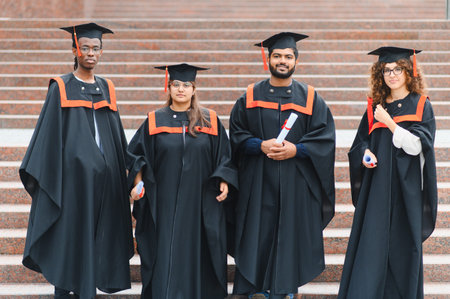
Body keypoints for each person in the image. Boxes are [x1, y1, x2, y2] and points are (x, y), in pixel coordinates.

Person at [19, 23, 134, 299]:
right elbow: (47, 136)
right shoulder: (61, 87)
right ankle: (63, 288)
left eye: (96, 48)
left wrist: (127, 171)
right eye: (85, 48)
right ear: (74, 50)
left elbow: (116, 137)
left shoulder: (107, 88)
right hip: (71, 181)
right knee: (69, 232)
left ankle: (88, 287)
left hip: (103, 183)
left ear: (102, 52)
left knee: (97, 235)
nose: (90, 53)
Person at [229, 32, 336, 299]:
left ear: (296, 60)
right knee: (257, 233)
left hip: (295, 181)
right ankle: (254, 286)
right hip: (258, 180)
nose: (282, 61)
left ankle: (285, 289)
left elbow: (325, 139)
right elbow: (237, 134)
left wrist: (296, 150)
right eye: (277, 55)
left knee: (288, 235)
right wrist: (259, 145)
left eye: (288, 56)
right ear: (268, 59)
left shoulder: (310, 98)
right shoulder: (250, 96)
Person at [127, 63, 238, 299]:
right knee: (164, 251)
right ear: (168, 88)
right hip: (164, 202)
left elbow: (225, 157)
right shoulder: (155, 120)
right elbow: (137, 156)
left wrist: (225, 180)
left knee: (201, 250)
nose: (181, 89)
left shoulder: (210, 120)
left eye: (186, 85)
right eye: (176, 84)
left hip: (201, 201)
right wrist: (138, 182)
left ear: (194, 89)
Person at [338, 47, 438, 299]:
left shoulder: (422, 105)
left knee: (402, 246)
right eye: (386, 70)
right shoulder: (375, 105)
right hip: (378, 187)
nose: (392, 75)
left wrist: (391, 123)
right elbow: (361, 143)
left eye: (397, 69)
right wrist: (365, 154)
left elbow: (417, 146)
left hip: (406, 189)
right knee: (372, 243)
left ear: (409, 72)